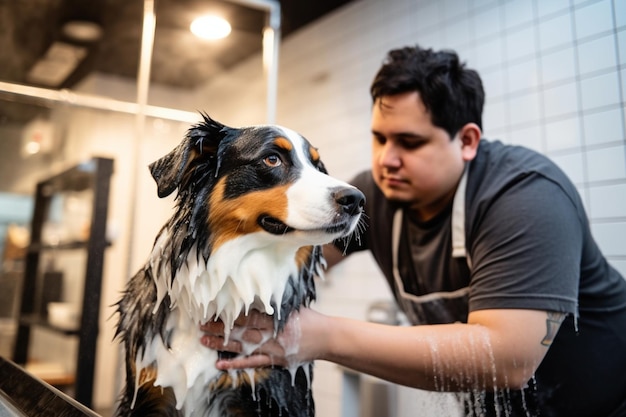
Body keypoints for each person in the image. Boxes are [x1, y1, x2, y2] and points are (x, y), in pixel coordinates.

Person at [200, 45, 626, 416]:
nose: (387, 159)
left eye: (410, 142)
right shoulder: (376, 191)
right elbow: (299, 262)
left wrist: (318, 335)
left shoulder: (527, 197)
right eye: (380, 138)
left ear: (467, 141)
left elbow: (509, 359)